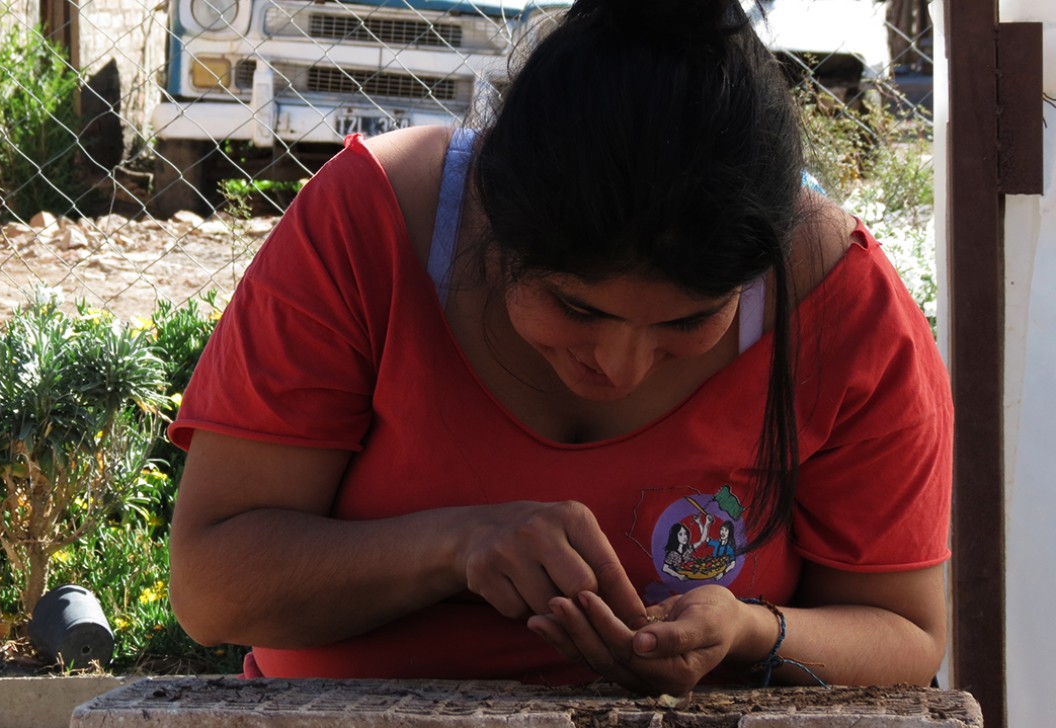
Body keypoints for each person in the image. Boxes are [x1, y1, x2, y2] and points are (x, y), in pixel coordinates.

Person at [165, 0, 952, 696]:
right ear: (491, 225)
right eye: (576, 307)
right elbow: (214, 589)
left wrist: (751, 633)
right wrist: (455, 545)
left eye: (689, 321)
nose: (621, 366)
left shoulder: (839, 299)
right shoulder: (371, 224)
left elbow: (906, 638)